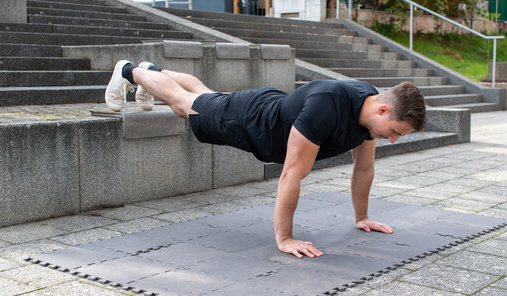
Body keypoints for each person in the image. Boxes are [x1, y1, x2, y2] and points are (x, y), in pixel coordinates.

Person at [105, 60, 426, 258]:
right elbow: (290, 175)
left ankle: (151, 73)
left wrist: (362, 217)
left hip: (271, 107)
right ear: (383, 110)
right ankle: (129, 71)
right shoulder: (328, 108)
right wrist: (285, 238)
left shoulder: (370, 113)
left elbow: (364, 168)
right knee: (183, 104)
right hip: (250, 121)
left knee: (204, 95)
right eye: (395, 131)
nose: (393, 139)